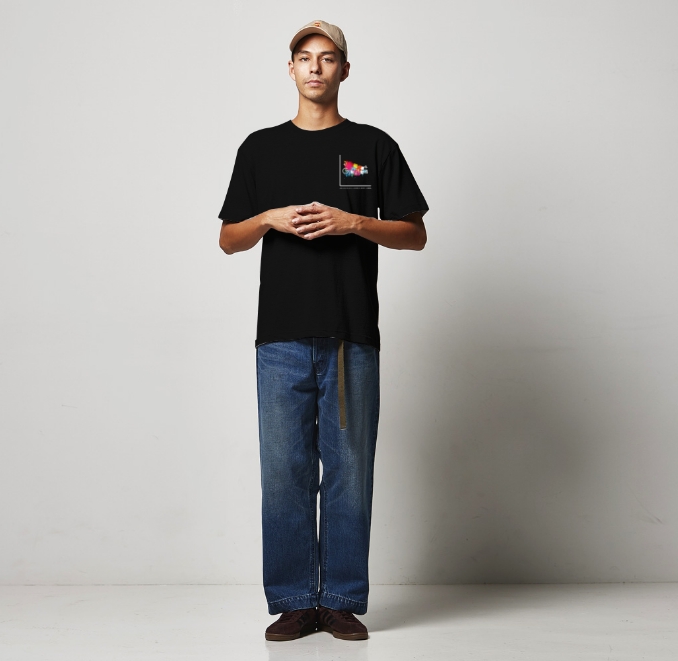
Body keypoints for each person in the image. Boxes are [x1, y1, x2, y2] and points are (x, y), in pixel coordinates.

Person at [218, 19, 429, 642]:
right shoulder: (260, 149)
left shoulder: (372, 145)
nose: (315, 67)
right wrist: (268, 218)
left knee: (349, 471)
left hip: (349, 336)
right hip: (280, 338)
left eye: (328, 57)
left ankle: (338, 600)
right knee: (283, 473)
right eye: (305, 57)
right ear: (290, 69)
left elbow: (414, 233)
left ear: (344, 69)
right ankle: (292, 601)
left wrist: (352, 221)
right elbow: (228, 239)